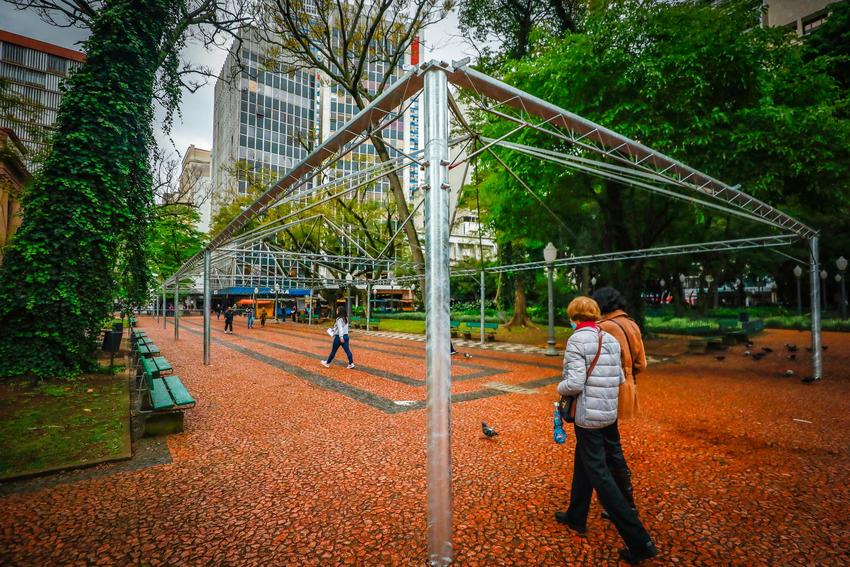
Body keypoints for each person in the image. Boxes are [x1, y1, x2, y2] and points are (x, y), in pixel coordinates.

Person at [555, 296, 657, 565]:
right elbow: (621, 377)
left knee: (600, 474)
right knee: (584, 461)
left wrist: (560, 388)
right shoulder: (609, 339)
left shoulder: (577, 340)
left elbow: (575, 383)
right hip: (608, 413)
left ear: (574, 315)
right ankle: (576, 515)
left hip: (588, 415)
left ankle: (639, 541)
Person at [592, 287, 647, 520]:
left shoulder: (605, 328)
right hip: (628, 388)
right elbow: (642, 363)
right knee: (610, 444)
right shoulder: (632, 324)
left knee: (608, 448)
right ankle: (622, 501)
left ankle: (622, 504)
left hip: (607, 391)